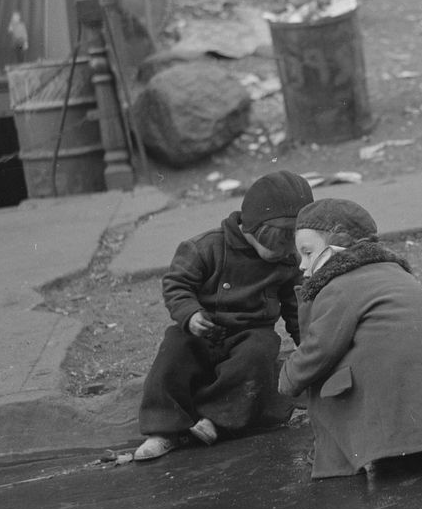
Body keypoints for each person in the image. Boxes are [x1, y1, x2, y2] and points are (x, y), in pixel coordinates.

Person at [278, 198, 422, 479]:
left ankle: (338, 455)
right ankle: (414, 443)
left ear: (338, 247)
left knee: (325, 373)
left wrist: (287, 379)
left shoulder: (340, 286)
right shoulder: (394, 273)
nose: (304, 267)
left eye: (308, 253)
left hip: (392, 384)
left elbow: (319, 349)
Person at [134, 171, 314, 461]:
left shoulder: (287, 261)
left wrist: (309, 345)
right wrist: (190, 314)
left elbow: (296, 308)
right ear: (252, 225)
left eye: (292, 239)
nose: (285, 248)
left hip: (249, 333)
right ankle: (163, 430)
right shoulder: (205, 247)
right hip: (201, 329)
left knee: (261, 348)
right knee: (173, 350)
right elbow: (176, 284)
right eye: (279, 237)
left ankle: (216, 420)